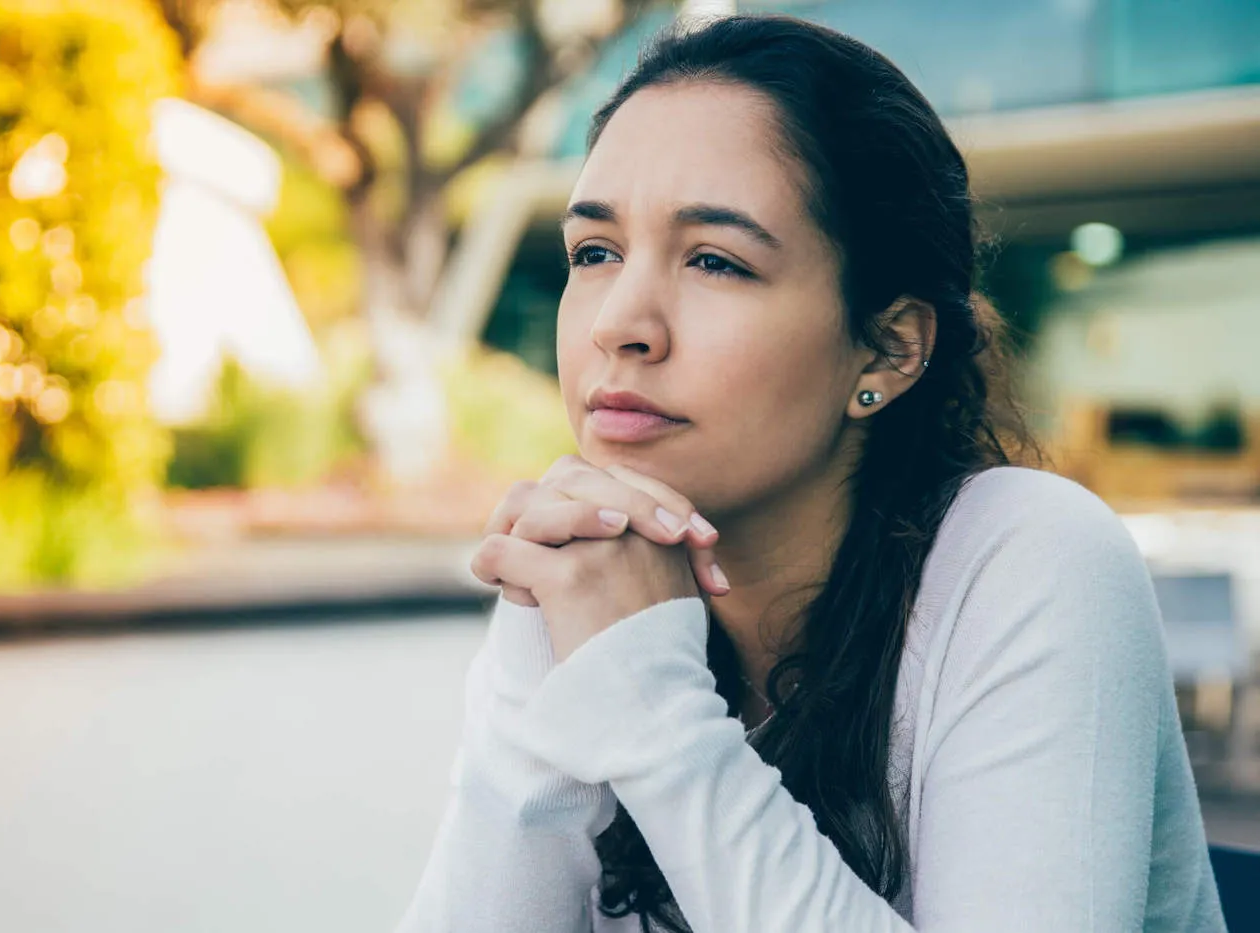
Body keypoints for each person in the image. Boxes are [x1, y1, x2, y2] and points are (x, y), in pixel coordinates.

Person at [396, 13, 1224, 932]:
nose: (619, 323)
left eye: (715, 260)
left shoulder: (1029, 559)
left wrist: (651, 709)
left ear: (887, 349)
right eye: (595, 252)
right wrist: (541, 659)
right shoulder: (586, 572)